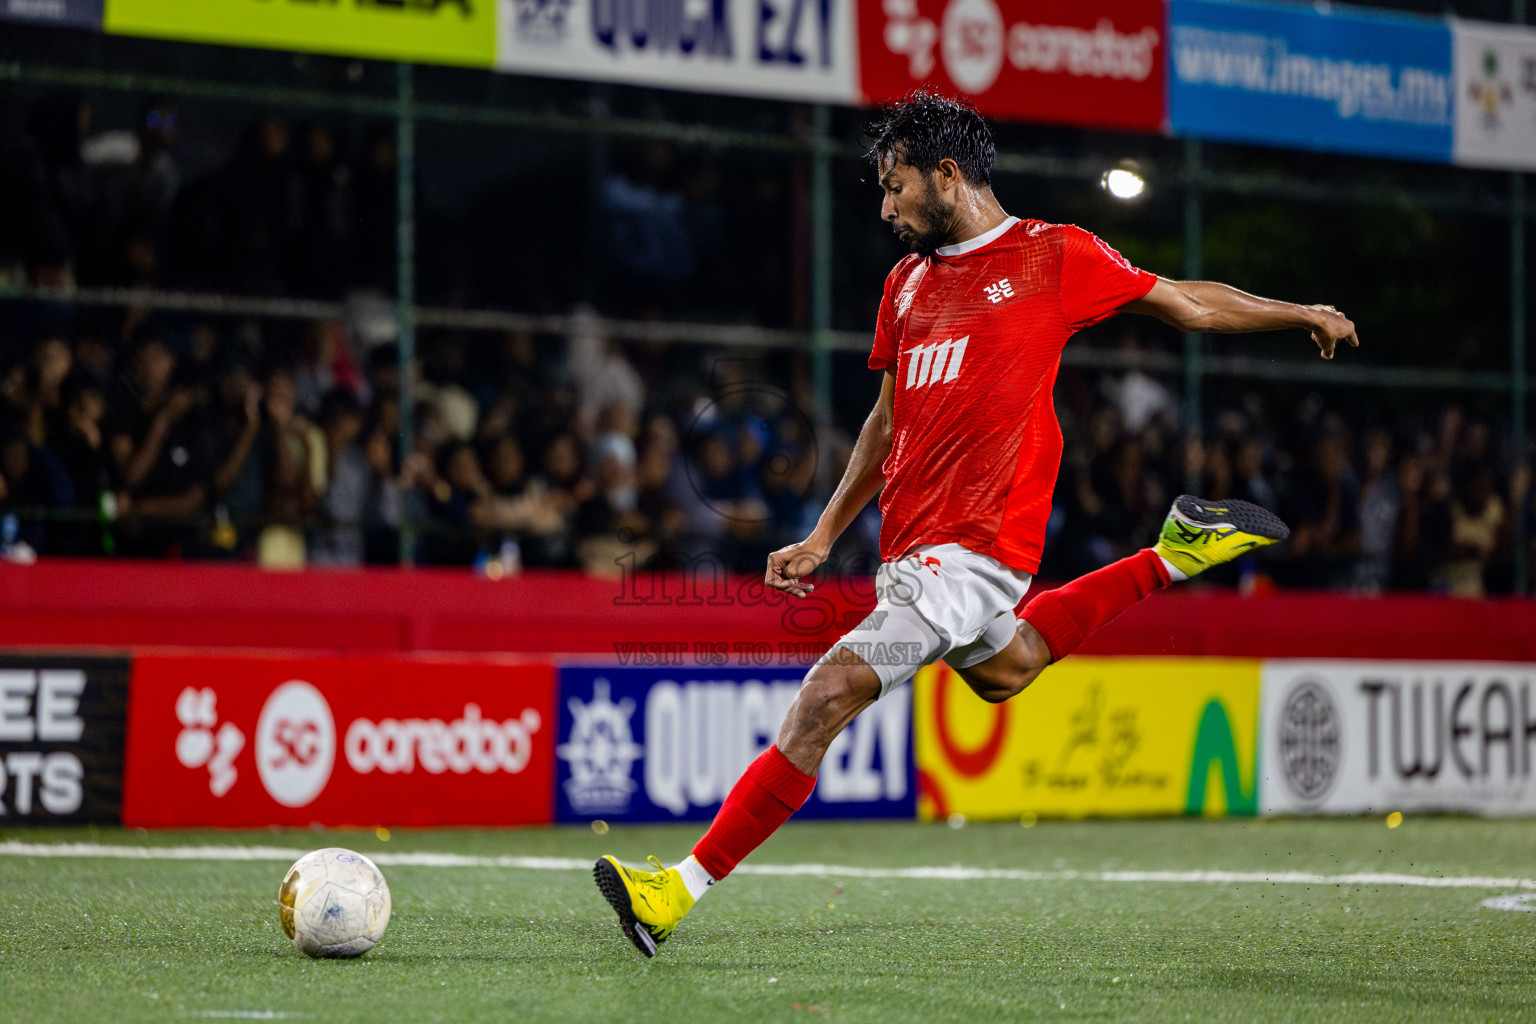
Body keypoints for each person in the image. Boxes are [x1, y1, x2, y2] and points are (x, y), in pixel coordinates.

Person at [593, 91, 1359, 958]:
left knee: (823, 698)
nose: (884, 209)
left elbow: (1187, 302)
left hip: (974, 552)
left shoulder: (1053, 255)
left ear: (946, 177)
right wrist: (823, 535)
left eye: (895, 187)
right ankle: (1175, 555)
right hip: (916, 552)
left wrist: (1297, 313)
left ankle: (675, 891)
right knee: (1009, 667)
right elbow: (885, 424)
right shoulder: (906, 284)